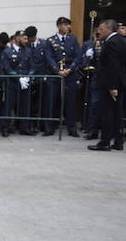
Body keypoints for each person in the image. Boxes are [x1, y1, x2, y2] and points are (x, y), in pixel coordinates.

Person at [88, 19, 126, 151]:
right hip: (117, 83)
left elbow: (113, 66)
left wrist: (112, 87)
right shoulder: (120, 40)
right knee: (117, 113)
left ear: (109, 29)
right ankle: (118, 141)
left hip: (111, 84)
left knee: (108, 114)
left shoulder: (112, 42)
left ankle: (105, 142)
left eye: (102, 29)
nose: (99, 31)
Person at [44, 17, 83, 137]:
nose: (68, 27)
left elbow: (78, 56)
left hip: (70, 75)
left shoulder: (73, 39)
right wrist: (57, 71)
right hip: (55, 76)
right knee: (51, 102)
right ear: (60, 26)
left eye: (68, 25)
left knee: (70, 103)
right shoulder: (50, 40)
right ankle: (49, 128)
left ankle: (72, 128)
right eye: (65, 25)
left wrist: (70, 69)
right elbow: (49, 58)